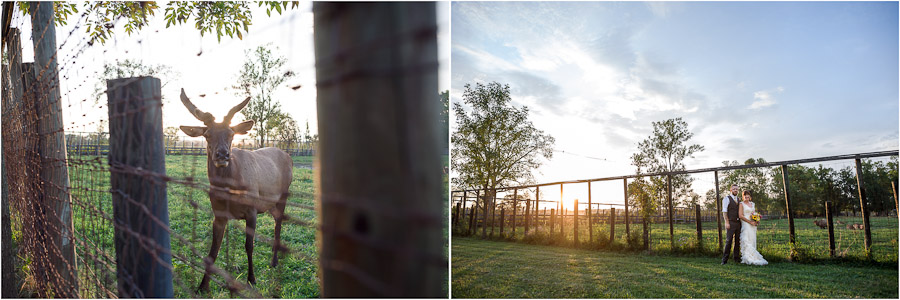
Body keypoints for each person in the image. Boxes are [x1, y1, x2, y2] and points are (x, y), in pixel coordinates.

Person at [738, 190, 768, 265]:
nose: (746, 197)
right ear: (743, 196)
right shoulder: (741, 204)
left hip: (753, 224)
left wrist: (756, 220)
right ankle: (747, 257)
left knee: (752, 239)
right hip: (746, 223)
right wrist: (749, 222)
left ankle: (753, 255)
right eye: (745, 195)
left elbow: (753, 214)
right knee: (746, 238)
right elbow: (740, 215)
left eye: (748, 195)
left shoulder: (752, 204)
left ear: (750, 197)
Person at [721, 184, 741, 264]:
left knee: (737, 241)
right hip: (730, 222)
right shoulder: (726, 199)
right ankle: (724, 260)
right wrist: (727, 222)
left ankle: (736, 258)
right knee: (728, 241)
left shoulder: (739, 200)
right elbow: (724, 212)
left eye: (736, 189)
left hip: (738, 223)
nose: (735, 190)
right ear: (731, 190)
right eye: (734, 189)